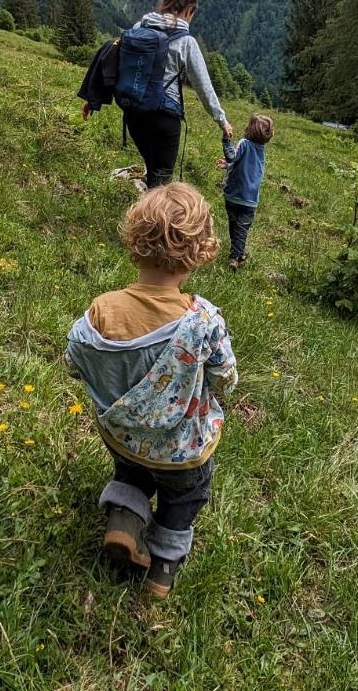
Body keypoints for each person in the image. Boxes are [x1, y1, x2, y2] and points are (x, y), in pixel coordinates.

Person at [65, 183, 238, 598]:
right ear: (200, 252)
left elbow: (74, 360)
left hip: (123, 438)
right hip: (182, 450)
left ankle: (123, 522)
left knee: (132, 471)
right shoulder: (201, 321)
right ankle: (161, 573)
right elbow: (226, 377)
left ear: (134, 241)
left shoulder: (103, 309)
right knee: (184, 500)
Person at [83, 0, 233, 188]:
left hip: (134, 112)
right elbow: (203, 87)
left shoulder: (138, 28)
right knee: (162, 179)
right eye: (192, 14)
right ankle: (154, 216)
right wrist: (222, 120)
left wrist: (94, 97)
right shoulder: (186, 42)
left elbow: (117, 60)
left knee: (153, 170)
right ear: (188, 11)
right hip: (165, 117)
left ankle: (148, 208)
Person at [218, 114, 273, 269]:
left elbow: (231, 156)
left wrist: (226, 139)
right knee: (241, 229)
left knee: (234, 225)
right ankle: (237, 254)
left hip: (233, 195)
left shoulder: (244, 143)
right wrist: (228, 166)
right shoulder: (261, 150)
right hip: (250, 199)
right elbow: (246, 165)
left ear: (249, 129)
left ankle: (235, 255)